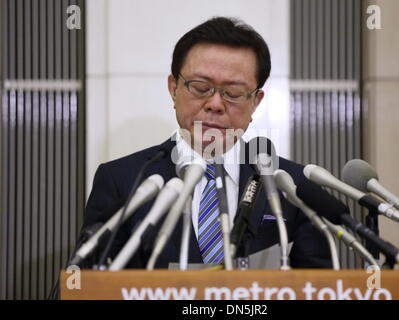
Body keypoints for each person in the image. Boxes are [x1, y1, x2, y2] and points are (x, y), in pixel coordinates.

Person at [79, 17, 348, 269]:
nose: (215, 104)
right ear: (174, 88)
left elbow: (318, 287)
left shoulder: (295, 188)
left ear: (255, 102)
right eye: (200, 87)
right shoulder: (122, 182)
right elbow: (92, 283)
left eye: (233, 93)